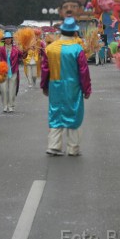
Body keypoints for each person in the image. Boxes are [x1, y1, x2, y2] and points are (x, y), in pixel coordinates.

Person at [40, 17, 91, 156]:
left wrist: (44, 86)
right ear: (75, 33)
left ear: (61, 31)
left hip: (55, 86)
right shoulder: (77, 49)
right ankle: (73, 148)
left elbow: (45, 70)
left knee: (55, 113)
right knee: (74, 114)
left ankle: (54, 145)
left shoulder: (50, 48)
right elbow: (84, 72)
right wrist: (87, 89)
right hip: (73, 87)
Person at [0, 31, 25, 113]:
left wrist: (26, 49)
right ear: (4, 40)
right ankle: (5, 105)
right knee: (3, 89)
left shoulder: (16, 49)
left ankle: (11, 105)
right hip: (3, 72)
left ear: (11, 39)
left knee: (12, 90)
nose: (8, 40)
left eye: (9, 38)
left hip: (13, 71)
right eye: (6, 38)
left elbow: (23, 56)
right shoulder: (0, 49)